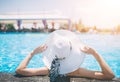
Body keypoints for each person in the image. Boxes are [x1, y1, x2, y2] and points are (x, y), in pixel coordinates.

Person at [16, 30, 115, 80]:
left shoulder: (48, 70)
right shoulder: (77, 72)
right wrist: (95, 54)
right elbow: (109, 75)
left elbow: (20, 70)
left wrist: (32, 53)